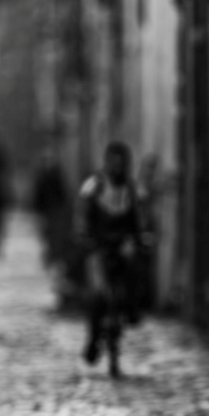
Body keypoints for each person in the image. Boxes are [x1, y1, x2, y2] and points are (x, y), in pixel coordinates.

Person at [76, 140, 141, 371]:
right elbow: (83, 218)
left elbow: (135, 221)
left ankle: (132, 310)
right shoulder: (93, 186)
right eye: (113, 162)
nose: (117, 167)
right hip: (98, 247)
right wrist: (86, 239)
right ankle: (93, 338)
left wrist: (135, 240)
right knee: (97, 294)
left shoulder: (130, 189)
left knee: (133, 275)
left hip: (121, 246)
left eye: (121, 163)